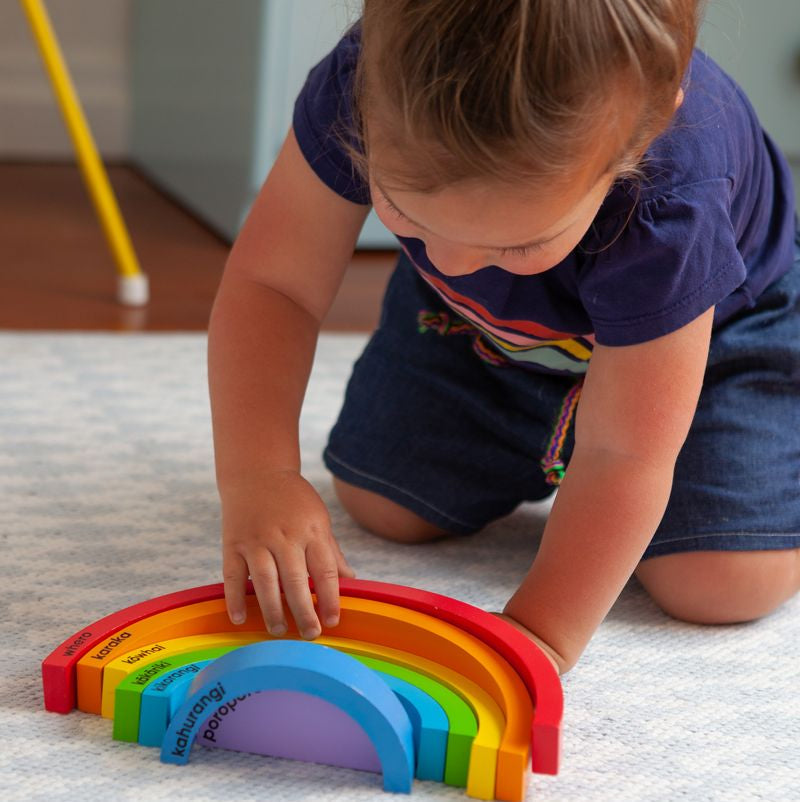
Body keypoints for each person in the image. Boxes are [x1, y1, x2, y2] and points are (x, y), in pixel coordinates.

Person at [207, 0, 800, 675]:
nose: (450, 262)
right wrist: (260, 473)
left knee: (721, 581)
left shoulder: (674, 197)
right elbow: (274, 285)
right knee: (384, 504)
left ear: (641, 138)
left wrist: (539, 635)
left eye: (516, 243)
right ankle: (533, 412)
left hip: (711, 338)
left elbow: (623, 452)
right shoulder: (364, 81)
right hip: (483, 328)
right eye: (407, 216)